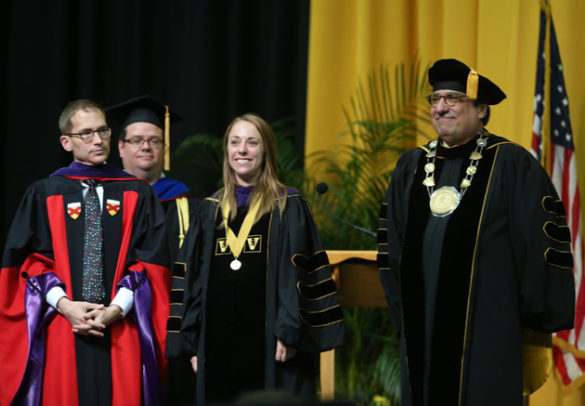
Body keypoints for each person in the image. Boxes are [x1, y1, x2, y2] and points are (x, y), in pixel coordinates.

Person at [377, 58, 576, 405]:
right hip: (421, 327)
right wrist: (404, 310)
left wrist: (527, 317)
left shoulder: (511, 164)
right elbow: (392, 246)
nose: (441, 107)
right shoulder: (411, 166)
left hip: (488, 330)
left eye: (453, 98)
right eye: (435, 99)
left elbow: (541, 244)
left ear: (482, 109)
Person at [0, 99, 170, 405]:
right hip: (63, 327)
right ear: (66, 141)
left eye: (103, 131)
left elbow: (150, 264)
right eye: (86, 133)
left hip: (120, 328)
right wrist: (66, 305)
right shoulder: (44, 193)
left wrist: (114, 310)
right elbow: (27, 264)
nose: (98, 140)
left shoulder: (138, 192)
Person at [166, 113, 344, 404]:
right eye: (235, 142)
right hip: (216, 346)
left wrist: (289, 331)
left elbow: (300, 274)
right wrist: (194, 342)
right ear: (227, 151)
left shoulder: (288, 205)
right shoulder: (210, 210)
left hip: (271, 344)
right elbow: (192, 280)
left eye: (252, 142)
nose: (243, 150)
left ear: (266, 151)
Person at [107, 95, 200, 404]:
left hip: (168, 326)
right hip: (112, 324)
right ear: (120, 147)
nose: (145, 147)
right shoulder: (101, 200)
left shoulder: (187, 205)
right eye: (136, 140)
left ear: (164, 147)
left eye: (154, 140)